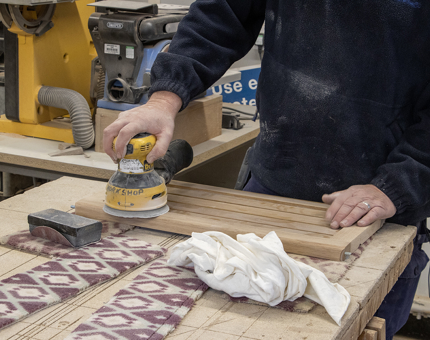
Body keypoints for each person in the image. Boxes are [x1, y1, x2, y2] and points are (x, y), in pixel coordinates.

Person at [103, 1, 430, 338]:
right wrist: (164, 99)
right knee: (217, 325)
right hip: (272, 181)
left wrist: (400, 182)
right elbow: (220, 17)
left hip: (375, 208)